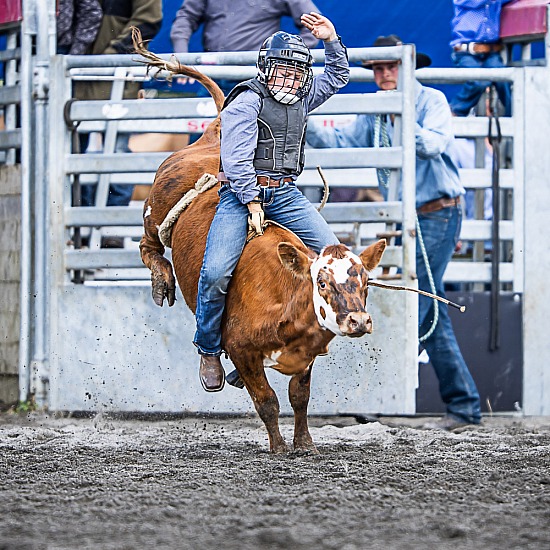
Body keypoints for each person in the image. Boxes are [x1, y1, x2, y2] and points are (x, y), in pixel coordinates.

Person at [307, 35, 482, 430]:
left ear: (407, 68)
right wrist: (305, 120)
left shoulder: (429, 102)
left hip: (435, 213)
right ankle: (460, 404)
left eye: (391, 67)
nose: (384, 74)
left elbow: (435, 144)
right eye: (379, 68)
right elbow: (340, 141)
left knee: (422, 305)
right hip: (413, 216)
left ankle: (422, 400)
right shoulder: (376, 110)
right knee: (425, 304)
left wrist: (400, 115)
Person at [196, 12, 349, 392]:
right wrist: (250, 201)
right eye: (283, 70)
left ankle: (309, 334)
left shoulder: (301, 96)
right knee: (215, 272)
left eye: (297, 72)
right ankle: (210, 348)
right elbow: (235, 160)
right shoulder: (246, 102)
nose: (290, 78)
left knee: (333, 256)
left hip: (284, 191)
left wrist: (331, 39)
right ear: (266, 70)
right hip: (238, 194)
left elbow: (338, 76)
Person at [74, 0, 162, 218]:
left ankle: (111, 223)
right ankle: (79, 222)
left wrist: (113, 53)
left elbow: (148, 21)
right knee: (74, 152)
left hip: (116, 76)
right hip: (79, 73)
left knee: (117, 151)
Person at [170, 0, 321, 97]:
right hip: (213, 76)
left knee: (256, 136)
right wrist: (182, 58)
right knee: (204, 135)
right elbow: (185, 19)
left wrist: (288, 57)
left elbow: (314, 24)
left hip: (255, 78)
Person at [449, 0, 513, 117]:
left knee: (505, 81)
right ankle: (454, 112)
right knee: (478, 81)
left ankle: (515, 117)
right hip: (466, 51)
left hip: (491, 52)